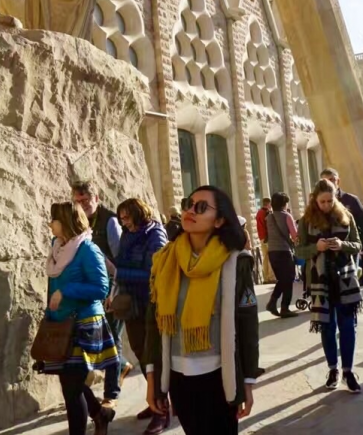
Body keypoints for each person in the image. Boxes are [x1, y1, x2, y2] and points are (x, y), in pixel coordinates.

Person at [145, 186, 259, 435]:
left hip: (219, 376)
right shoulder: (165, 260)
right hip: (177, 377)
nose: (190, 211)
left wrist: (247, 381)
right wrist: (153, 381)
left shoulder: (235, 262)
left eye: (201, 207)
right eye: (188, 204)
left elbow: (247, 325)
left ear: (219, 220)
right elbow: (153, 324)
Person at [39, 202, 118, 435]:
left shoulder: (87, 249)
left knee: (72, 389)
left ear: (66, 222)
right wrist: (50, 314)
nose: (50, 224)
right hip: (61, 324)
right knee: (71, 384)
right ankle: (100, 414)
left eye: (54, 220)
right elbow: (52, 284)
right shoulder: (57, 247)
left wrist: (66, 291)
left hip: (84, 324)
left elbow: (101, 287)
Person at [297, 179, 363, 393]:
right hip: (320, 280)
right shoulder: (306, 221)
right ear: (314, 200)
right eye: (322, 201)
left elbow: (358, 245)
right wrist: (315, 247)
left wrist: (342, 245)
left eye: (329, 200)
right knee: (327, 327)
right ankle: (333, 369)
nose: (326, 205)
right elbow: (298, 252)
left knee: (348, 327)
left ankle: (348, 371)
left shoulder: (346, 216)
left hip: (345, 279)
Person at [70, 182, 131, 409]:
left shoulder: (110, 221)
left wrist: (115, 290)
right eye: (77, 201)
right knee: (102, 339)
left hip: (113, 288)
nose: (81, 205)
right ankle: (122, 366)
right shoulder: (79, 222)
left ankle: (111, 393)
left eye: (85, 200)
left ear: (96, 198)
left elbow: (119, 260)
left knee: (113, 340)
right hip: (94, 289)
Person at [114, 199, 170, 435]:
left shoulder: (154, 234)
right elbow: (121, 261)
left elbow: (153, 271)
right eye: (121, 218)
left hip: (151, 303)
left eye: (127, 217)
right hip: (132, 303)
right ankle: (155, 400)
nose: (123, 222)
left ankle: (161, 411)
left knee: (153, 357)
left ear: (138, 214)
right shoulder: (128, 234)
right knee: (139, 351)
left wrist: (118, 271)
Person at [321, 168, 363, 283]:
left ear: (338, 181)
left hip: (349, 250)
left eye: (332, 180)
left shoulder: (350, 200)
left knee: (350, 284)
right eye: (325, 181)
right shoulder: (317, 203)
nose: (329, 183)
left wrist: (360, 245)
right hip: (326, 252)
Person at [265, 192, 299, 318]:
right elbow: (295, 236)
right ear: (284, 204)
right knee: (289, 278)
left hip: (272, 252)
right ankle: (284, 307)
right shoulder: (287, 216)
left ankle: (272, 303)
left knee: (282, 279)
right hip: (284, 251)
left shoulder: (269, 217)